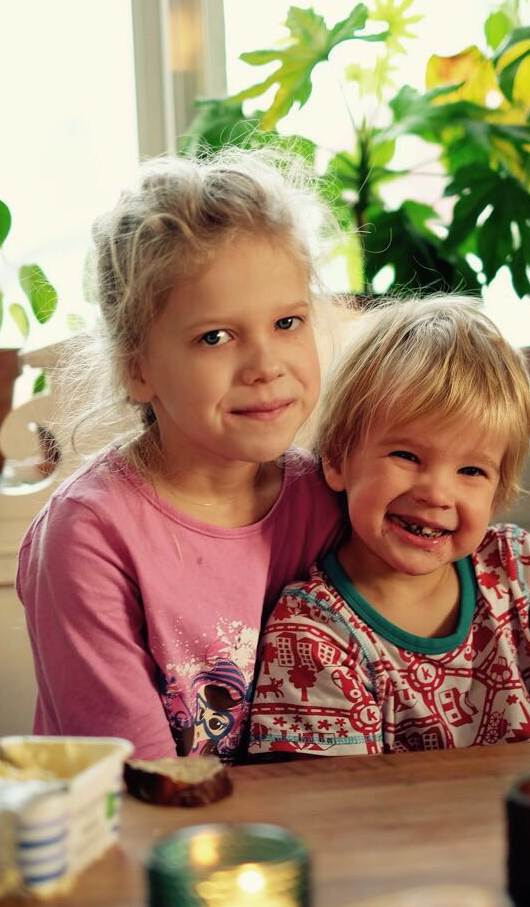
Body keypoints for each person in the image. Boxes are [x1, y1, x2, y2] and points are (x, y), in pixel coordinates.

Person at [248, 296, 530, 758]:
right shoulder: (311, 634)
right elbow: (342, 799)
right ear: (337, 460)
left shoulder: (518, 565)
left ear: (498, 492)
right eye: (407, 456)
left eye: (471, 471)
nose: (437, 493)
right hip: (453, 805)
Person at [17, 149, 344, 760]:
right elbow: (140, 775)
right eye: (215, 337)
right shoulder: (89, 534)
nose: (266, 365)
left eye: (288, 323)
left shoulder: (329, 498)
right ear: (137, 368)